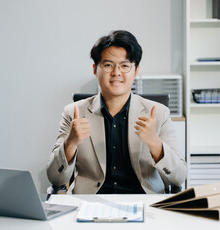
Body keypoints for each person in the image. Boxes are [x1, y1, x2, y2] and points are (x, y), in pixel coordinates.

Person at [46, 30, 187, 194]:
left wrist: (155, 143)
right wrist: (70, 143)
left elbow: (179, 178)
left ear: (136, 70)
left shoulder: (159, 113)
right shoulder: (73, 112)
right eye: (108, 65)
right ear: (95, 69)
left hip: (145, 206)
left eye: (125, 65)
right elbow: (54, 178)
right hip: (90, 204)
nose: (116, 72)